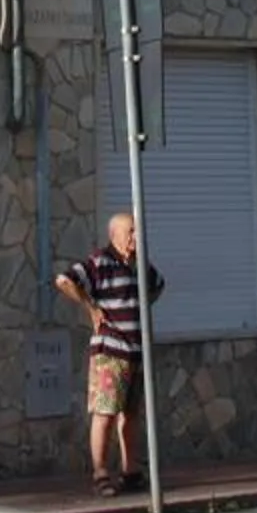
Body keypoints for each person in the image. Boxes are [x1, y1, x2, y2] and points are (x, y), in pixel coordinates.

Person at [55, 211, 164, 496]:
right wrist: (91, 308)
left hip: (136, 353)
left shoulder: (140, 266)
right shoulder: (100, 261)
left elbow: (158, 285)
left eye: (137, 232)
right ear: (114, 234)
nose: (135, 238)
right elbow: (64, 280)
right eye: (130, 232)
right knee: (105, 412)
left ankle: (131, 471)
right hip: (110, 353)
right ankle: (101, 473)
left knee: (131, 414)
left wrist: (137, 309)